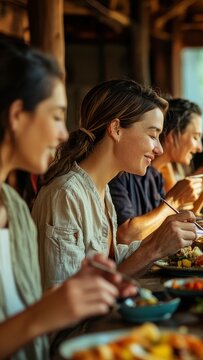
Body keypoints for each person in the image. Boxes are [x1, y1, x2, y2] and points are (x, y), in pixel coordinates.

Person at [0, 39, 135, 359]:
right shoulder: (63, 193)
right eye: (57, 116)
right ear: (18, 115)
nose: (65, 133)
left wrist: (80, 289)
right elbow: (32, 318)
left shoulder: (13, 207)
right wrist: (43, 314)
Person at [32, 79, 197, 290]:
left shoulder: (102, 189)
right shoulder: (66, 195)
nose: (159, 149)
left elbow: (113, 263)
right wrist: (154, 248)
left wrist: (164, 238)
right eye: (152, 135)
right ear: (116, 129)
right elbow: (68, 299)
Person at [109, 98, 203, 244]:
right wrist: (174, 199)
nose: (199, 148)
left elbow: (163, 226)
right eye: (195, 137)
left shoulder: (154, 175)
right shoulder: (117, 174)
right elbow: (126, 236)